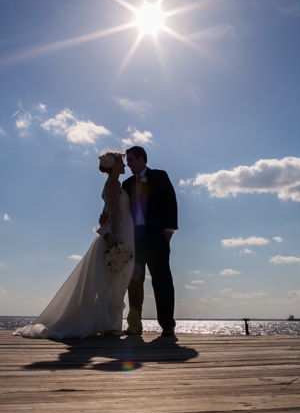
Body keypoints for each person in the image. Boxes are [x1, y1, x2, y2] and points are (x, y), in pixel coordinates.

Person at [14, 152, 135, 340]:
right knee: (114, 278)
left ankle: (111, 324)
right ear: (113, 166)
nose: (124, 166)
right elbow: (116, 211)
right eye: (121, 162)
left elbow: (110, 209)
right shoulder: (114, 184)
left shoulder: (113, 184)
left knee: (116, 277)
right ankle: (109, 325)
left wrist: (105, 218)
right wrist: (114, 235)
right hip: (120, 232)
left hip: (123, 230)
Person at [121, 145, 178, 337]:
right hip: (134, 239)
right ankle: (135, 325)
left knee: (162, 280)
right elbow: (120, 209)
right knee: (134, 282)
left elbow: (171, 200)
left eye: (130, 160)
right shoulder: (126, 183)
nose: (127, 164)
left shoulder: (160, 176)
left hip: (157, 237)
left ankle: (167, 324)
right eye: (127, 161)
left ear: (141, 159)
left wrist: (169, 229)